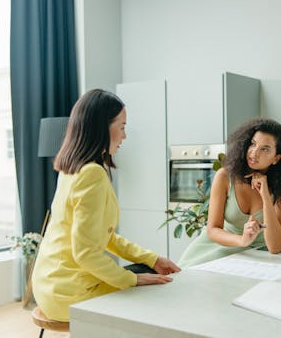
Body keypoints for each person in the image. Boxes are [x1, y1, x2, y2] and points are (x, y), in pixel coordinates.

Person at [32, 89, 180, 322]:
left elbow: (105, 237)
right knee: (156, 289)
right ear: (102, 127)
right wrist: (132, 279)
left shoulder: (71, 168)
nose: (125, 136)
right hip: (70, 293)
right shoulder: (92, 174)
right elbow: (86, 253)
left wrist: (151, 259)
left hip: (49, 286)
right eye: (121, 127)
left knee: (149, 271)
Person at [178, 117, 281, 268]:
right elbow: (212, 230)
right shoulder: (225, 176)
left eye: (264, 149)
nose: (254, 153)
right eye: (253, 144)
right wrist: (242, 240)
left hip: (255, 257)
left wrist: (265, 196)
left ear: (276, 159)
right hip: (213, 250)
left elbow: (275, 247)